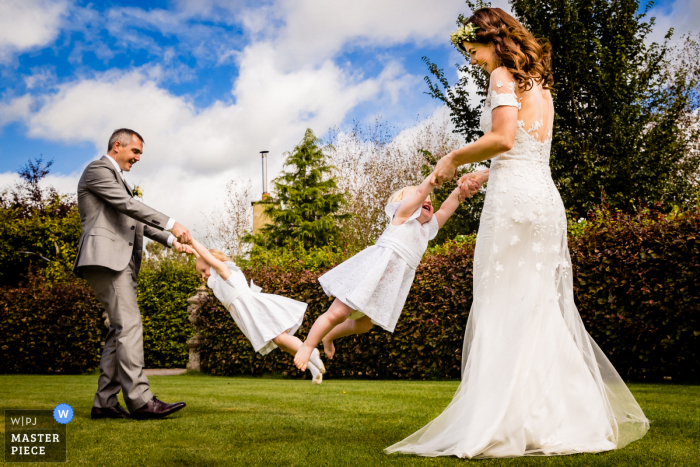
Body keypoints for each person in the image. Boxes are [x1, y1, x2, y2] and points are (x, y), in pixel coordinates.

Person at [385, 8, 649, 458]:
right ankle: (557, 420)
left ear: (493, 40)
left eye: (473, 51)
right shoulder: (539, 86)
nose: (472, 61)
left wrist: (454, 159)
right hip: (543, 199)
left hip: (514, 207)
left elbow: (505, 138)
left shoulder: (503, 76)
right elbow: (526, 151)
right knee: (536, 305)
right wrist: (485, 175)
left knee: (501, 301)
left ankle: (501, 422)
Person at [293, 172, 472, 371]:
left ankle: (329, 335)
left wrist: (459, 190)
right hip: (369, 274)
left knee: (364, 325)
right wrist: (435, 177)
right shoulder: (402, 217)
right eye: (422, 199)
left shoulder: (426, 230)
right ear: (406, 204)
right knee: (337, 314)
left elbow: (446, 209)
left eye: (430, 201)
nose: (427, 200)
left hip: (388, 285)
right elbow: (421, 191)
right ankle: (307, 346)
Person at [74, 128, 190, 420]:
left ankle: (105, 403)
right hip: (105, 259)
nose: (138, 158)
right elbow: (129, 206)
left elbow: (132, 219)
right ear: (117, 145)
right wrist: (171, 223)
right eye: (135, 152)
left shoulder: (117, 179)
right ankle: (140, 400)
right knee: (129, 325)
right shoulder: (97, 170)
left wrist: (170, 241)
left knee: (118, 329)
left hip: (117, 260)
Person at [185, 239, 326, 384]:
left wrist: (191, 240)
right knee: (282, 344)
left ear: (213, 262)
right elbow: (202, 258)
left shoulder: (224, 271)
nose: (203, 275)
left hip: (254, 308)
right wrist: (191, 250)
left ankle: (311, 352)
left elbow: (205, 255)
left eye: (203, 271)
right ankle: (312, 367)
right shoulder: (216, 279)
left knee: (280, 338)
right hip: (247, 314)